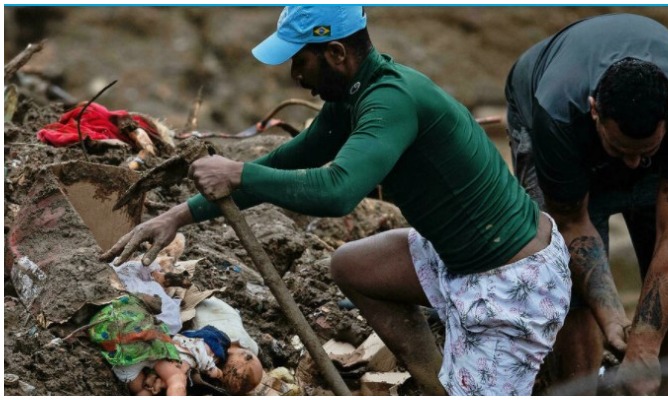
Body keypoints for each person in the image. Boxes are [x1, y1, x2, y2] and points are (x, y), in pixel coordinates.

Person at [101, 6, 572, 395]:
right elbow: (292, 160)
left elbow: (338, 191)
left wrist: (239, 171)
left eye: (300, 62)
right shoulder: (352, 95)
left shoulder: (389, 101)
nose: (294, 75)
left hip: (511, 280)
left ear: (335, 52)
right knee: (352, 266)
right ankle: (435, 382)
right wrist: (181, 214)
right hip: (457, 254)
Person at [504, 13, 668, 395]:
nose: (633, 165)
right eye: (620, 149)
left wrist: (644, 342)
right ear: (594, 110)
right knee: (558, 266)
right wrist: (611, 320)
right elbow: (574, 222)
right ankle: (579, 387)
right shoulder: (556, 110)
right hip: (551, 120)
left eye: (647, 151)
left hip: (647, 130)